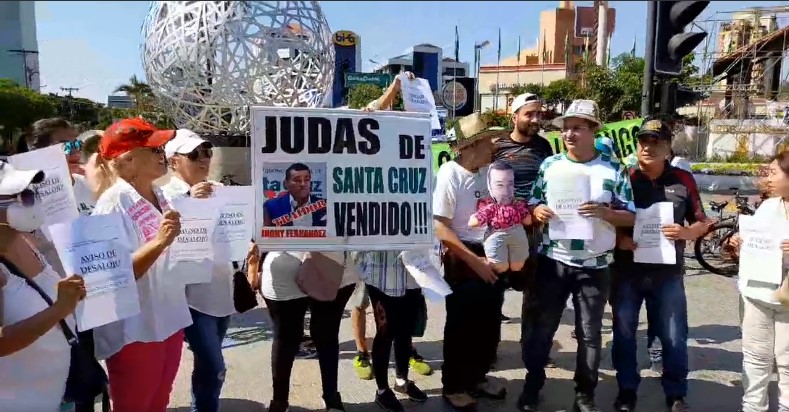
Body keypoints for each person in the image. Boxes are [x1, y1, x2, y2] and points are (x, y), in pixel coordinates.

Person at [518, 100, 636, 412]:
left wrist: (606, 213)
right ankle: (533, 383)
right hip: (552, 261)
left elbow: (633, 217)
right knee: (541, 328)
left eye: (578, 127)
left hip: (595, 265)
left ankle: (585, 393)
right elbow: (532, 199)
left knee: (590, 335)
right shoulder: (550, 165)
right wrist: (536, 209)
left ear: (594, 130)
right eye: (566, 127)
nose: (569, 133)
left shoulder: (612, 170)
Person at [610, 119, 709, 412]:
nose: (647, 147)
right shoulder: (623, 177)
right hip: (627, 271)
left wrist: (688, 233)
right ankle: (627, 390)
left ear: (668, 148)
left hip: (667, 273)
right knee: (624, 333)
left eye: (656, 142)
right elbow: (604, 216)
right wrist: (619, 240)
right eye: (643, 141)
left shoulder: (683, 179)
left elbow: (702, 221)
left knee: (674, 333)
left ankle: (676, 393)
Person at [90, 118, 187, 412]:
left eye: (162, 146)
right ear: (128, 158)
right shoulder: (111, 204)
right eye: (154, 148)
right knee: (134, 405)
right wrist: (158, 242)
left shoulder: (163, 196)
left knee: (159, 401)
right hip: (136, 329)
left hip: (170, 318)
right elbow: (112, 273)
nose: (163, 153)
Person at [160, 129, 257, 412]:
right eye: (194, 155)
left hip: (221, 291)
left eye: (207, 153)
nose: (203, 160)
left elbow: (231, 230)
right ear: (174, 160)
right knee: (215, 366)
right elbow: (164, 238)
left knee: (206, 366)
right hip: (190, 297)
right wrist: (190, 200)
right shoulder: (165, 195)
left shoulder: (217, 188)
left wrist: (246, 242)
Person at [0, 160, 86, 412]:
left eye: (29, 193)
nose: (29, 201)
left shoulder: (24, 240)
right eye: (18, 196)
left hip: (52, 398)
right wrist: (59, 310)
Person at [435, 127, 507, 411]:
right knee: (461, 325)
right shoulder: (450, 174)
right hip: (464, 256)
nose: (494, 145)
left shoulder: (489, 171)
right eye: (489, 140)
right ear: (473, 144)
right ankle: (453, 386)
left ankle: (477, 378)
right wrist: (475, 261)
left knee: (488, 323)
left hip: (492, 251)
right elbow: (440, 225)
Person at [728, 150, 789, 412]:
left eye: (774, 173)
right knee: (755, 360)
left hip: (786, 300)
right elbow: (759, 244)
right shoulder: (769, 206)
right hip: (757, 295)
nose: (769, 178)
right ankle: (753, 407)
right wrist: (739, 244)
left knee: (787, 362)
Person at [260, 249, 357, 412]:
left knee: (289, 337)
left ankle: (281, 403)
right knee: (314, 337)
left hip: (314, 264)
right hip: (328, 263)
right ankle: (330, 400)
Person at [355, 251, 428, 411]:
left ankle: (402, 381)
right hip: (381, 271)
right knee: (386, 331)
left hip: (412, 271)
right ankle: (382, 390)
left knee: (406, 330)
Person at [263, 163, 327, 227]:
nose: (303, 184)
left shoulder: (324, 205)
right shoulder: (271, 206)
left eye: (307, 180)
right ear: (285, 183)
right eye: (297, 180)